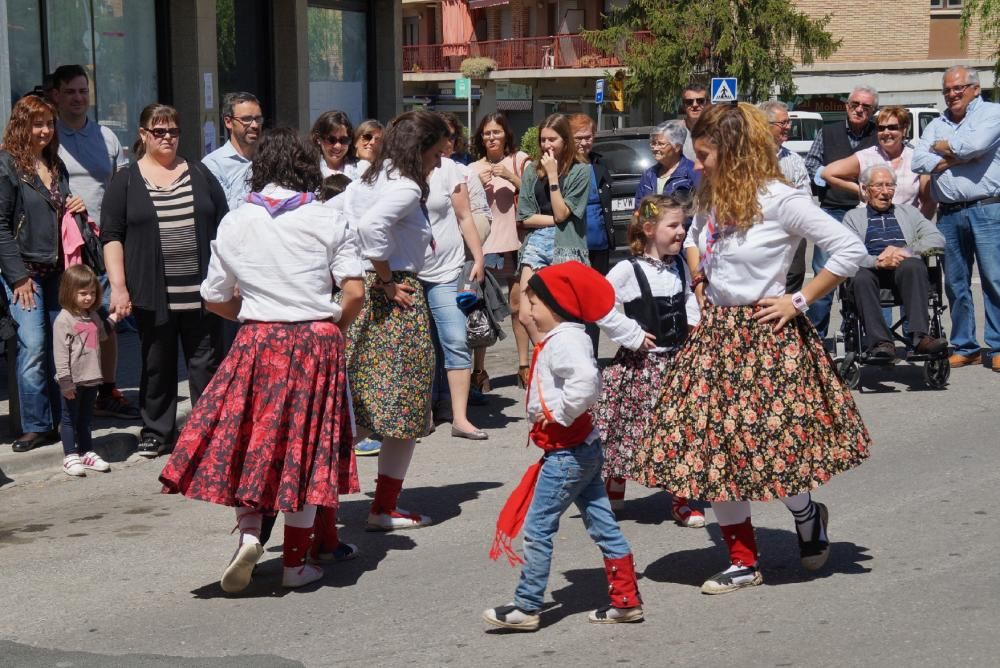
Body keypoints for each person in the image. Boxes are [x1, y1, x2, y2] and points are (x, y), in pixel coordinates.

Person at [642, 103, 872, 595]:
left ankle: (807, 515)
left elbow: (850, 250)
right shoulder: (712, 196)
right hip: (716, 337)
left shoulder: (781, 199)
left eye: (703, 155)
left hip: (767, 337)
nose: (696, 165)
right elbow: (698, 237)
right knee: (716, 455)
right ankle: (743, 561)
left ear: (733, 151)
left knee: (775, 455)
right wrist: (700, 274)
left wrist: (800, 299)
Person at [159, 127, 365, 592]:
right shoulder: (326, 218)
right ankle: (295, 563)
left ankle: (251, 534)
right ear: (307, 167)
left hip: (257, 339)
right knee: (305, 451)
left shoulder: (236, 221)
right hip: (315, 340)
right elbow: (353, 291)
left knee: (252, 442)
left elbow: (212, 298)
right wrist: (332, 325)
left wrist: (255, 314)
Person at [484, 261, 644, 631]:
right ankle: (625, 599)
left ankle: (527, 605)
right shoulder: (565, 336)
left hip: (567, 453)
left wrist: (557, 412)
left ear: (555, 306)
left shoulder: (565, 340)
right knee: (603, 524)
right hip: (581, 448)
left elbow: (587, 382)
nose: (530, 312)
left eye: (535, 304)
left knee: (538, 528)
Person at [338, 110, 452, 531]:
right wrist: (387, 280)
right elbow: (371, 229)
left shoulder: (368, 177)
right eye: (436, 154)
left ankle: (317, 508)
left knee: (354, 406)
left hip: (357, 292)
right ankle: (383, 508)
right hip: (394, 295)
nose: (438, 163)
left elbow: (346, 222)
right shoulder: (403, 186)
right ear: (420, 149)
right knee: (403, 409)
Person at [100, 103, 228, 457]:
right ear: (143, 135)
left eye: (173, 131)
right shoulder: (125, 181)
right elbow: (111, 236)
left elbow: (224, 227)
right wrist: (120, 286)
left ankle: (207, 433)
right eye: (159, 131)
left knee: (205, 366)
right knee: (158, 365)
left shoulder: (200, 174)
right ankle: (158, 432)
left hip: (202, 294)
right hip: (152, 293)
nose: (168, 137)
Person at [596, 195, 704, 528]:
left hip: (675, 363)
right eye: (673, 226)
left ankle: (681, 499)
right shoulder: (627, 270)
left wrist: (694, 323)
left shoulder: (681, 266)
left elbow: (688, 298)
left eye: (683, 225)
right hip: (639, 367)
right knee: (626, 429)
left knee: (680, 431)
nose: (681, 232)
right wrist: (630, 333)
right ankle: (615, 484)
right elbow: (600, 306)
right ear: (648, 229)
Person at [0, 94, 87, 453]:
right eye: (37, 123)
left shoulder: (55, 164)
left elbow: (61, 211)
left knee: (60, 348)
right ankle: (34, 425)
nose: (45, 130)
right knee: (33, 346)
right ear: (22, 125)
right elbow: (1, 226)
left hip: (58, 271)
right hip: (25, 273)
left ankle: (59, 420)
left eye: (49, 124)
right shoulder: (7, 165)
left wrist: (75, 205)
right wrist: (18, 276)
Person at [51, 64, 138, 421]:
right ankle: (71, 393)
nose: (78, 98)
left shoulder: (106, 137)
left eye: (83, 91)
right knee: (70, 323)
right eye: (70, 92)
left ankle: (107, 389)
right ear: (56, 95)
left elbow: (121, 184)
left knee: (105, 320)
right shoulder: (48, 134)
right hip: (65, 245)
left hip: (103, 242)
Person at [912, 65, 1000, 372]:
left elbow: (976, 145)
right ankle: (966, 346)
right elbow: (917, 160)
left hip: (987, 209)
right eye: (947, 89)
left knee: (994, 279)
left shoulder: (992, 114)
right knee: (955, 283)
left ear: (975, 88)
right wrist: (957, 154)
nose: (952, 94)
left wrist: (944, 149)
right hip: (948, 213)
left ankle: (998, 346)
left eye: (958, 88)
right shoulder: (937, 123)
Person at [418, 114, 487, 439]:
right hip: (410, 273)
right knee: (418, 347)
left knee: (456, 340)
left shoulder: (452, 171)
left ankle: (460, 418)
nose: (446, 144)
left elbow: (464, 216)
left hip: (446, 269)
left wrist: (478, 257)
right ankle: (423, 414)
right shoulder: (398, 170)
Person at [842, 165, 948, 361]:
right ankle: (881, 342)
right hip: (871, 270)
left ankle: (920, 337)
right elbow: (847, 251)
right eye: (878, 186)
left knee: (914, 265)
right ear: (865, 189)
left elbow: (937, 239)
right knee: (859, 276)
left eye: (890, 186)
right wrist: (877, 261)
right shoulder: (852, 217)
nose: (885, 192)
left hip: (904, 272)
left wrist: (905, 251)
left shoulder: (910, 213)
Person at [804, 85, 879, 337]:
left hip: (869, 215)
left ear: (873, 111)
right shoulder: (827, 132)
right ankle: (817, 336)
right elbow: (812, 164)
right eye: (855, 104)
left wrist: (836, 170)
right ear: (847, 106)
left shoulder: (881, 135)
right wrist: (836, 178)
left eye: (866, 107)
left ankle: (875, 338)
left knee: (870, 273)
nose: (859, 109)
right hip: (832, 212)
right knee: (823, 275)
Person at [516, 114, 591, 345]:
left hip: (566, 245)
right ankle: (547, 352)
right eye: (543, 140)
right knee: (525, 313)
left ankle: (561, 357)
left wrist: (552, 176)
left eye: (552, 139)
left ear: (565, 140)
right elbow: (525, 216)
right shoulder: (531, 171)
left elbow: (562, 211)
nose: (546, 145)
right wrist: (555, 220)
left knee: (561, 314)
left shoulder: (581, 171)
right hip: (537, 243)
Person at [471, 113, 531, 389]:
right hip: (487, 246)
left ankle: (523, 365)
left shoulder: (520, 161)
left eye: (496, 132)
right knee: (483, 310)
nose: (491, 137)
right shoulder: (472, 168)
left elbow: (533, 195)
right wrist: (478, 187)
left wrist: (510, 176)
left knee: (519, 307)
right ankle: (479, 371)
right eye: (486, 133)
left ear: (506, 134)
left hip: (517, 243)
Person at [53, 264, 115, 476]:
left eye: (91, 293)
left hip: (91, 377)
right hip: (73, 379)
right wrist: (65, 381)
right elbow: (60, 354)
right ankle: (70, 455)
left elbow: (102, 336)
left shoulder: (92, 315)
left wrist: (116, 318)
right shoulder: (64, 319)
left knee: (86, 418)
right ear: (69, 292)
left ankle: (86, 452)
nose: (88, 298)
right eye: (82, 293)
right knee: (69, 418)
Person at [823, 106, 935, 219]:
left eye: (892, 127)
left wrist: (919, 228)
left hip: (906, 226)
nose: (886, 132)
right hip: (870, 225)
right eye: (881, 128)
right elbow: (827, 173)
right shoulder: (865, 156)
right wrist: (861, 190)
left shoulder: (917, 158)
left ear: (904, 129)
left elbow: (929, 201)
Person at [759, 100, 811, 294]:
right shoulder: (745, 158)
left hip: (791, 233)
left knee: (793, 278)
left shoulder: (794, 160)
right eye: (784, 123)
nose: (788, 127)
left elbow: (805, 197)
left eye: (789, 122)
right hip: (759, 233)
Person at [202, 91, 263, 211]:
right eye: (246, 119)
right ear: (228, 122)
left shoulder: (269, 159)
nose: (255, 125)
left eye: (258, 119)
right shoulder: (213, 164)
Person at [633, 120, 699, 205]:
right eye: (653, 143)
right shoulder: (649, 175)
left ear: (677, 147)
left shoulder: (693, 172)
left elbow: (702, 209)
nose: (655, 148)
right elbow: (639, 207)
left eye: (660, 144)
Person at [311, 110, 367, 180]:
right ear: (318, 139)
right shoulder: (308, 171)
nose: (337, 146)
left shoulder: (363, 170)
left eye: (344, 140)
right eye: (331, 140)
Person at [680, 83, 709, 161]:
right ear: (683, 105)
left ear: (707, 104)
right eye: (689, 102)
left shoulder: (716, 130)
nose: (695, 105)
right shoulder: (674, 132)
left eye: (700, 101)